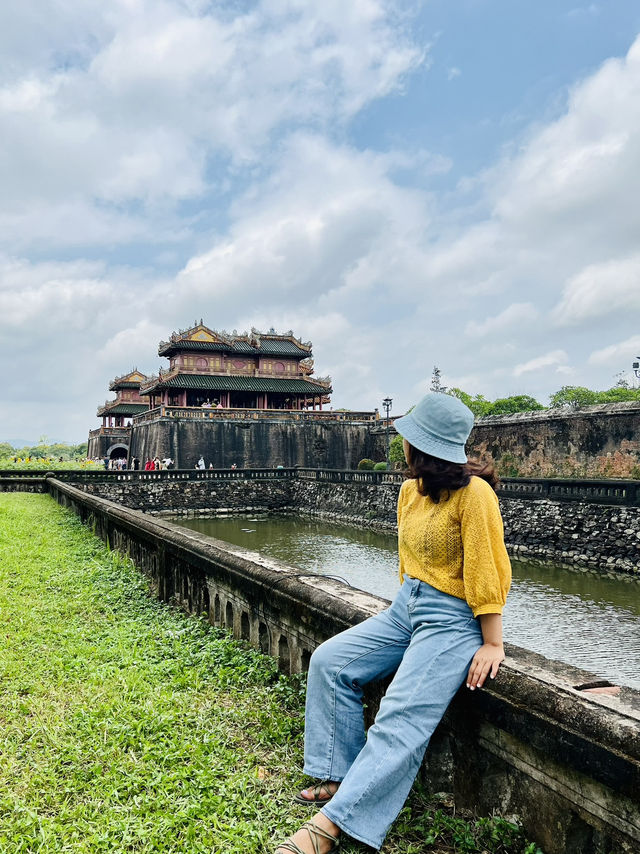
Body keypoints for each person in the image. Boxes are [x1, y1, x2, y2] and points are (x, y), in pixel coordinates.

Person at [275, 392, 511, 854]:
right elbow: (408, 563)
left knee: (400, 717)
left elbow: (487, 568)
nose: (400, 445)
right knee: (331, 662)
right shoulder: (410, 491)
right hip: (408, 606)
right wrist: (403, 611)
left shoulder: (475, 495)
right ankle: (341, 776)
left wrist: (493, 643)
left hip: (453, 618)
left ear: (424, 445)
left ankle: (328, 828)